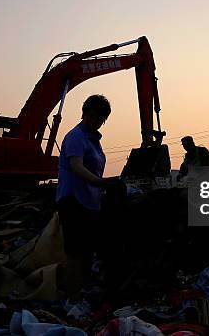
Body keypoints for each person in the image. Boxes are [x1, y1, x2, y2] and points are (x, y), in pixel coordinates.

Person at [55, 94, 125, 296]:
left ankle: (83, 290)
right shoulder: (75, 136)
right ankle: (72, 297)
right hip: (73, 201)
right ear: (84, 113)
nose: (95, 122)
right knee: (75, 252)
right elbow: (77, 167)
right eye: (92, 116)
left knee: (87, 251)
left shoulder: (94, 140)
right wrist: (101, 183)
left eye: (100, 119)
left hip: (89, 202)